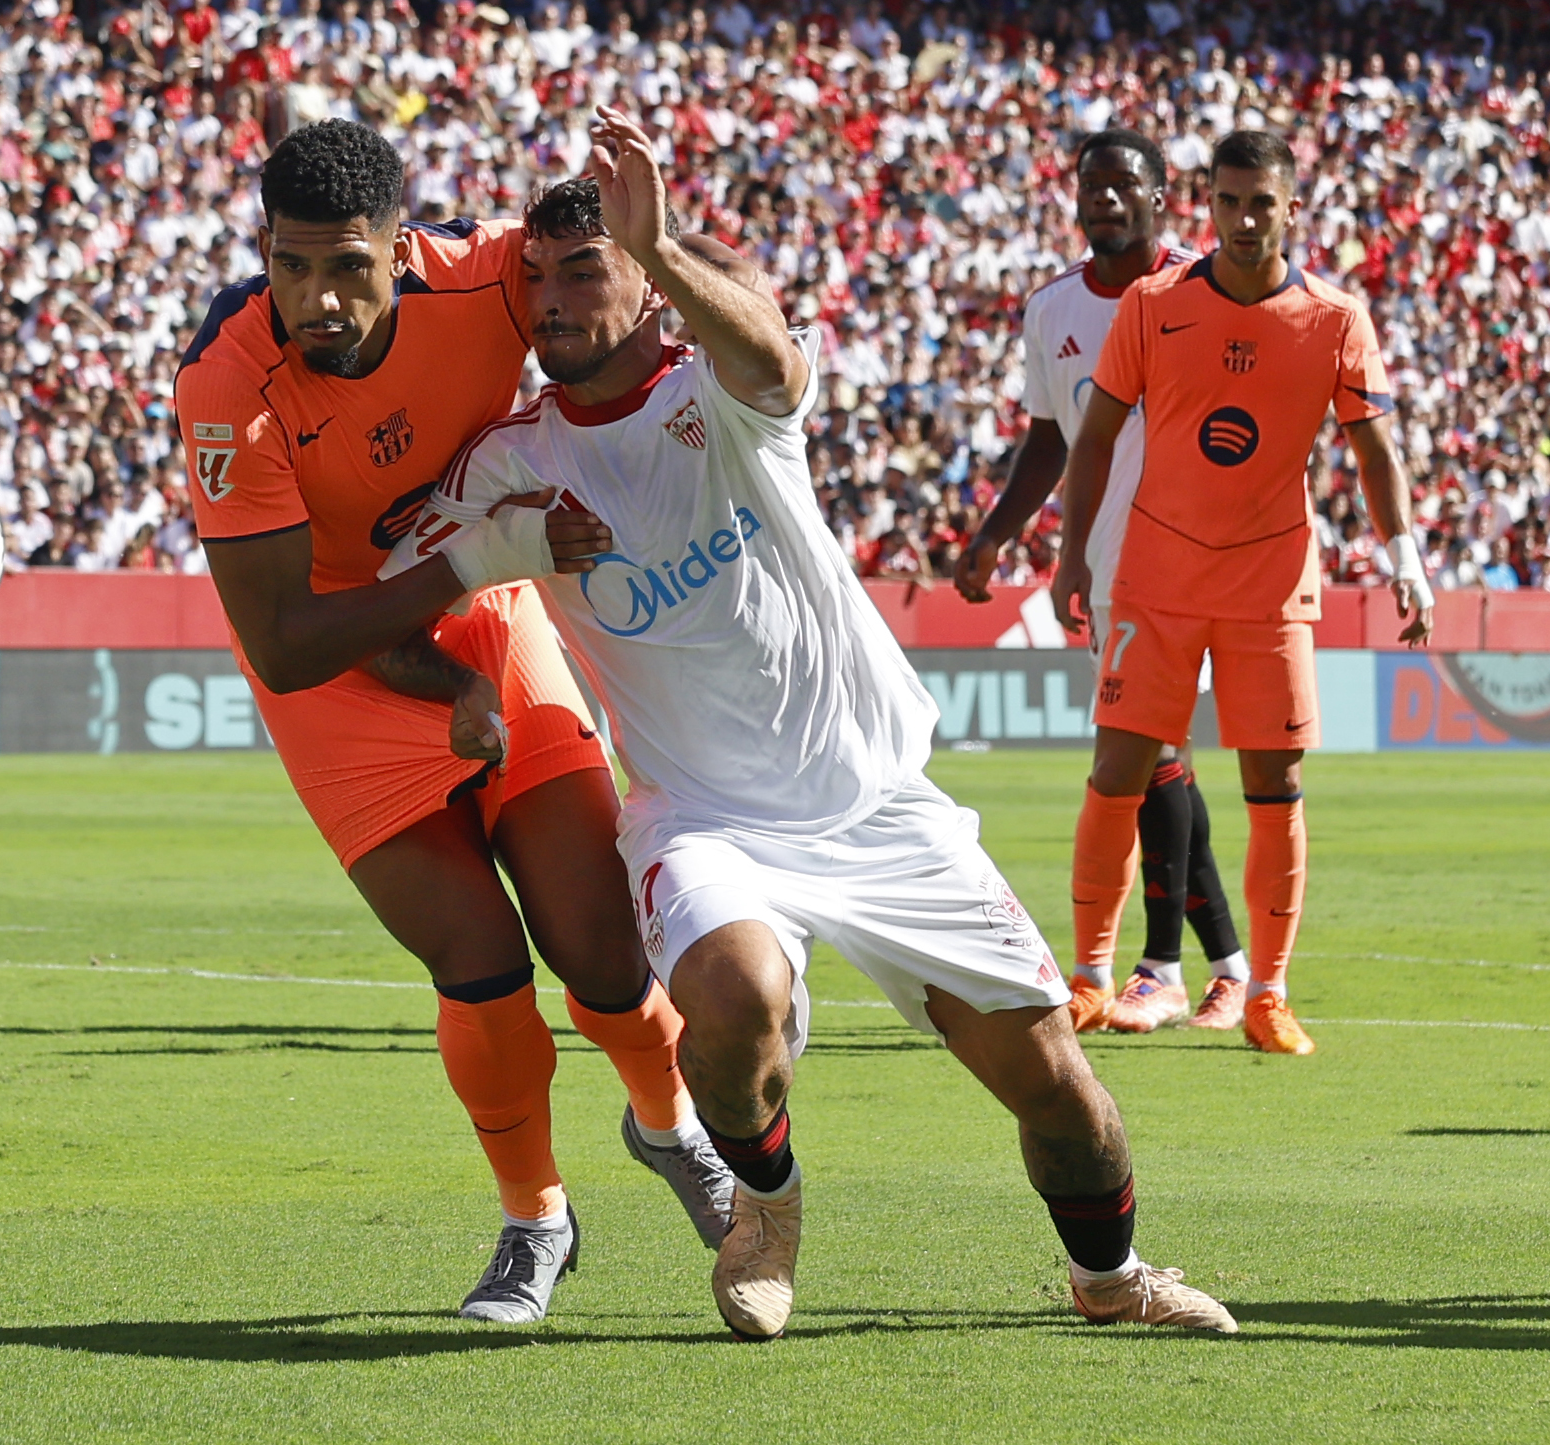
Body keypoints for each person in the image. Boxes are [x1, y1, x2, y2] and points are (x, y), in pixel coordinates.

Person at [389, 111, 1236, 1342]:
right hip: (706, 817)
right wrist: (455, 685)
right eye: (535, 281)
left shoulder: (720, 395)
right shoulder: (505, 462)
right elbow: (397, 597)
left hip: (878, 804)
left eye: (585, 272)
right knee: (728, 1002)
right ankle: (766, 1209)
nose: (552, 302)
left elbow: (775, 359)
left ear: (645, 284)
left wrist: (667, 244)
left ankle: (1109, 1279)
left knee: (1059, 1089)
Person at [172, 118, 734, 1325]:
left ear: (402, 247)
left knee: (599, 950)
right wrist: (484, 552)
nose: (317, 299)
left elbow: (626, 301)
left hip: (493, 614)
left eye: (347, 267)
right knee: (478, 964)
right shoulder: (225, 387)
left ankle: (669, 1125)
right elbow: (282, 639)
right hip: (334, 675)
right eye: (289, 266)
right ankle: (535, 1217)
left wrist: (661, 267)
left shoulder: (491, 274)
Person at [1049, 131, 1435, 1057]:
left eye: (1262, 202)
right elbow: (1094, 437)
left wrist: (1406, 556)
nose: (1246, 219)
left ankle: (1267, 991)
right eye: (1229, 202)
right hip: (1157, 578)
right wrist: (1071, 559)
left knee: (1277, 784)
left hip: (1270, 584)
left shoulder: (1336, 319)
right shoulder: (1153, 306)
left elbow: (1374, 448)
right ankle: (1093, 978)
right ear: (1208, 207)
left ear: (1291, 208)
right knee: (1117, 773)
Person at [949, 130, 1250, 1034]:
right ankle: (1225, 966)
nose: (1106, 200)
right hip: (1110, 565)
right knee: (1157, 758)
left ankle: (1159, 966)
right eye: (1092, 186)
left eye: (1125, 185)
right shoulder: (1053, 310)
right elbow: (1050, 437)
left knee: (1147, 751)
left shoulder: (1208, 290)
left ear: (1163, 196)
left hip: (1198, 559)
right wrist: (1000, 533)